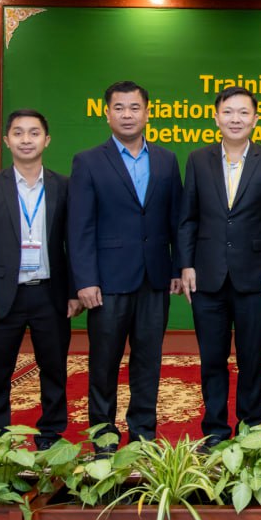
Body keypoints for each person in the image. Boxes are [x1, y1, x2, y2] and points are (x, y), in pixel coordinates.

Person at [68, 81, 183, 449]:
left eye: (135, 108)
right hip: (107, 282)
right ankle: (103, 438)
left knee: (148, 362)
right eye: (119, 108)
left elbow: (176, 219)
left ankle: (143, 435)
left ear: (147, 113)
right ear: (107, 114)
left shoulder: (166, 160)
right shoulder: (88, 161)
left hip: (154, 278)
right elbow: (79, 227)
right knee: (104, 364)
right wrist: (84, 280)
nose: (127, 115)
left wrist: (177, 268)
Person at [177, 86, 261, 448]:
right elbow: (187, 218)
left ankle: (251, 429)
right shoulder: (198, 159)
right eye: (228, 112)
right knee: (211, 358)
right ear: (216, 118)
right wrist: (185, 265)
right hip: (207, 275)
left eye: (243, 112)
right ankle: (214, 430)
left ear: (255, 119)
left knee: (251, 358)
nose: (236, 119)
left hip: (255, 276)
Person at [0, 109, 79, 450]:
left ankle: (51, 437)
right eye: (18, 133)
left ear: (47, 140)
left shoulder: (63, 186)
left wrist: (74, 290)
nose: (26, 140)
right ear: (6, 140)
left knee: (54, 371)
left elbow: (74, 243)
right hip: (2, 295)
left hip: (50, 294)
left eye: (33, 133)